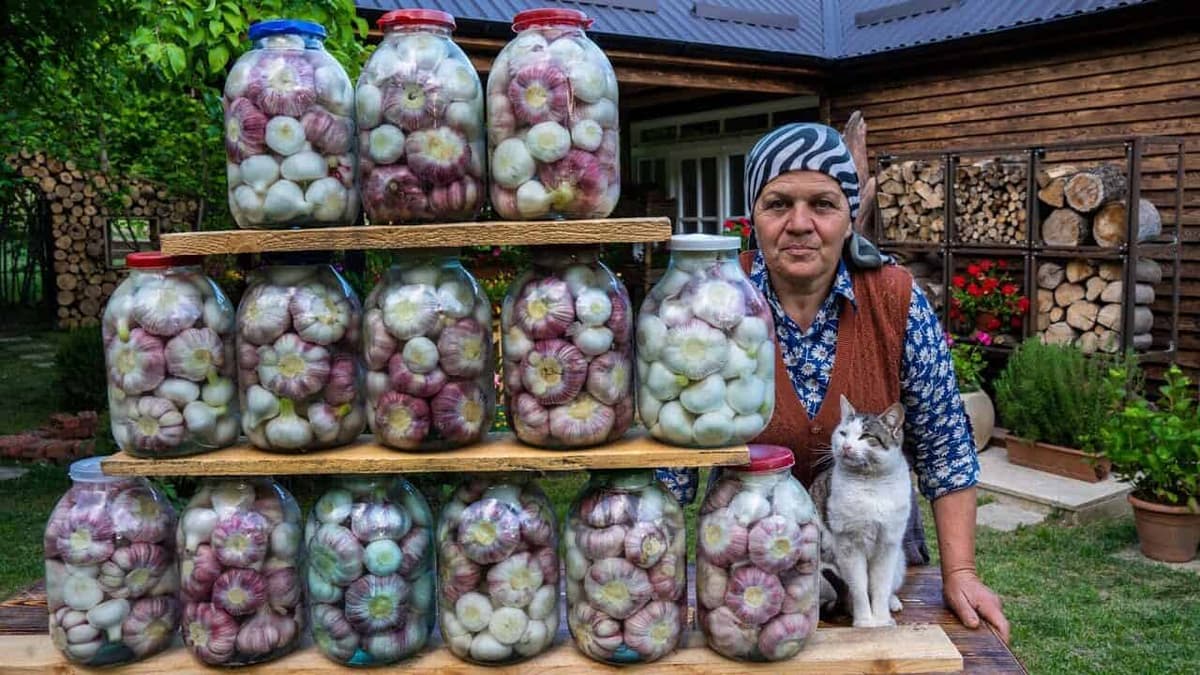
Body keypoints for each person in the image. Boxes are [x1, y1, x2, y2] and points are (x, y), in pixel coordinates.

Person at [667, 122, 1010, 642]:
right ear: (752, 217)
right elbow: (672, 458)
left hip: (878, 555)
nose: (800, 224)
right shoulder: (715, 301)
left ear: (850, 217)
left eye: (823, 205)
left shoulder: (895, 299)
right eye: (778, 203)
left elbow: (945, 445)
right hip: (745, 560)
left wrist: (960, 574)